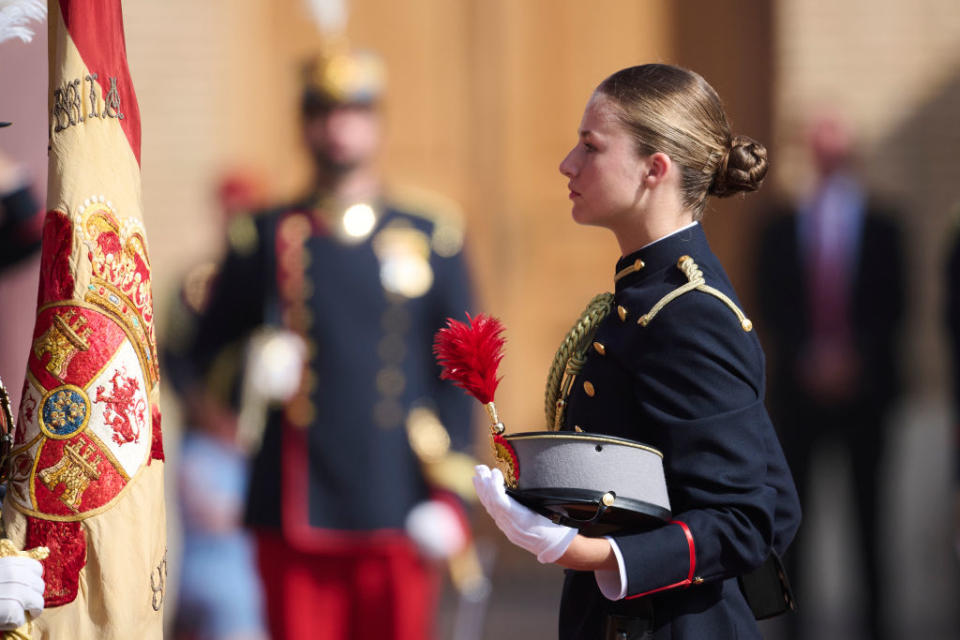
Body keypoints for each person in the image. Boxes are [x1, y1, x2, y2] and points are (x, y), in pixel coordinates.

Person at [472, 63, 801, 639]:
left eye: (591, 146)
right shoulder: (649, 297)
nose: (567, 165)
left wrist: (585, 553)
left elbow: (748, 519)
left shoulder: (691, 314)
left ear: (655, 169)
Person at [191, 48, 476, 640]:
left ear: (379, 122)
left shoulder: (433, 233)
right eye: (323, 111)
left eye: (356, 110)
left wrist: (452, 496)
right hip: (296, 502)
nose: (339, 127)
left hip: (398, 494)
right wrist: (251, 366)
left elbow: (462, 374)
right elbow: (197, 356)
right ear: (303, 123)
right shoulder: (263, 234)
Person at [755, 110, 905, 640]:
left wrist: (852, 355)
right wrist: (810, 357)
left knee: (871, 520)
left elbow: (894, 306)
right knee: (797, 522)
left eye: (836, 151)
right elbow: (770, 304)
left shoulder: (884, 224)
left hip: (866, 395)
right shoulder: (779, 226)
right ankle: (791, 627)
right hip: (800, 396)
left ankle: (876, 626)